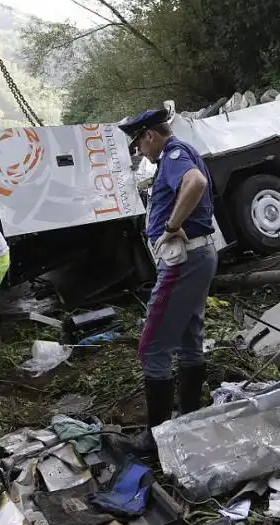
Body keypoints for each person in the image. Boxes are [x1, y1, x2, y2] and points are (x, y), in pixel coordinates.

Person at [118, 108, 218, 452]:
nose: (139, 153)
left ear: (149, 135)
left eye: (138, 145)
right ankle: (189, 417)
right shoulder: (178, 155)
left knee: (152, 347)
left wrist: (172, 227)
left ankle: (156, 438)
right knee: (190, 335)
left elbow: (195, 183)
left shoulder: (175, 154)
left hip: (184, 259)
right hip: (198, 256)